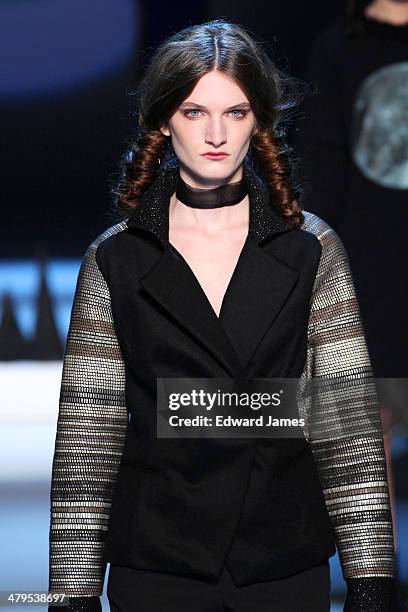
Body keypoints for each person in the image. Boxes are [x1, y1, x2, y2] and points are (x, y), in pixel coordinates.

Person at [47, 19, 402, 612]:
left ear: (258, 121)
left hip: (280, 560)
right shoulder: (117, 258)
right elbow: (90, 437)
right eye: (194, 112)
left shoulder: (310, 248)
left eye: (235, 113)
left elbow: (346, 426)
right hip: (160, 559)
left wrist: (371, 581)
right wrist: (71, 593)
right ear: (164, 121)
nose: (216, 133)